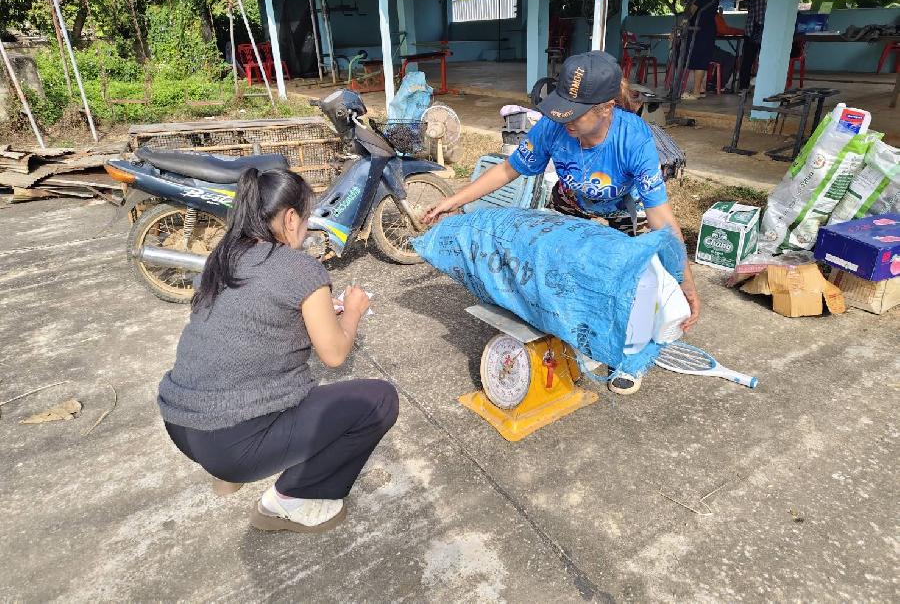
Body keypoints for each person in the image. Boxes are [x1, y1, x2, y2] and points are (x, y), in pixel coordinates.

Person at [423, 51, 701, 376]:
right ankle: (572, 328)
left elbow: (662, 220)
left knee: (637, 281)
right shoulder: (555, 127)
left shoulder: (634, 138)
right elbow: (508, 170)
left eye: (575, 113)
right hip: (572, 203)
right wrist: (454, 200)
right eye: (561, 108)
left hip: (623, 210)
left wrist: (686, 283)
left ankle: (628, 360)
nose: (565, 118)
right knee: (561, 267)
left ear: (606, 108)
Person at [158, 168, 398, 534]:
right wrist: (352, 311)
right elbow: (334, 354)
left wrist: (318, 312)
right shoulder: (299, 268)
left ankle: (226, 475)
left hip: (181, 424)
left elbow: (252, 322)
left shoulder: (224, 257)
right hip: (230, 443)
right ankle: (290, 499)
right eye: (306, 218)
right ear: (290, 219)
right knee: (379, 400)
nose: (306, 228)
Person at [682, 0, 719, 99]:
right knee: (699, 58)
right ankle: (701, 88)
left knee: (698, 59)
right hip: (707, 28)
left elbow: (692, 10)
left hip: (700, 28)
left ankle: (696, 92)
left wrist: (683, 22)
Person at [739, 0, 772, 91]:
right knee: (765, 60)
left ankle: (743, 87)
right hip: (766, 30)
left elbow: (750, 10)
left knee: (747, 61)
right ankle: (763, 87)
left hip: (750, 30)